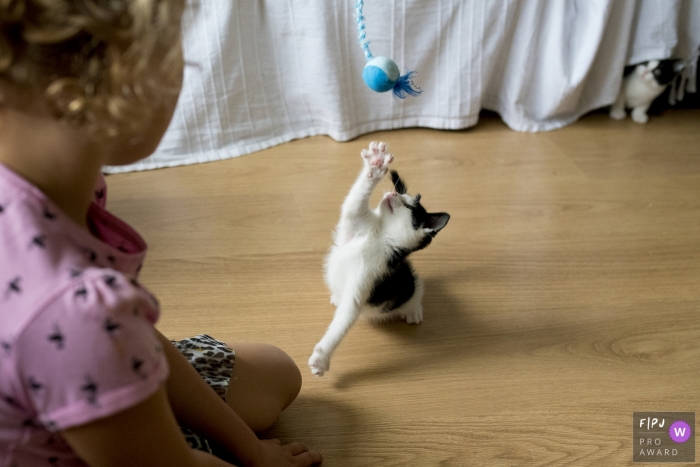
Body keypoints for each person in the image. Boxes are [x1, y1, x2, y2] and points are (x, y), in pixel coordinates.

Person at [0, 1, 322, 466]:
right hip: (70, 403)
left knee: (275, 372)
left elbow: (129, 337)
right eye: (174, 51)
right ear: (107, 82)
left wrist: (246, 445)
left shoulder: (58, 189)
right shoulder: (77, 310)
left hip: (65, 371)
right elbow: (98, 333)